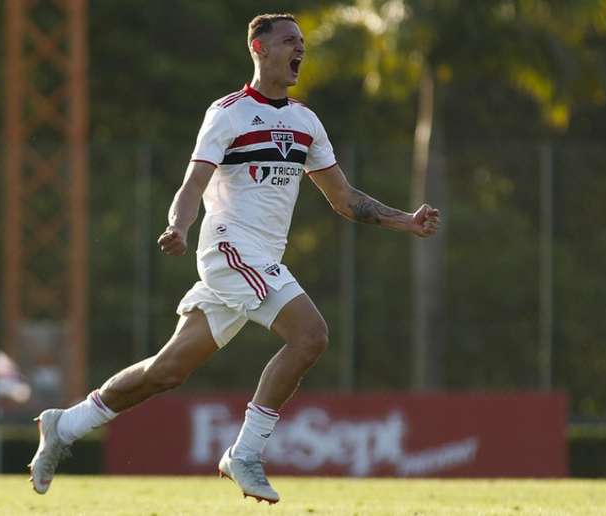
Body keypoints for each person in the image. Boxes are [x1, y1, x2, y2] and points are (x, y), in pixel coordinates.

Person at [28, 12, 440, 504]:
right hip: (229, 249)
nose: (299, 50)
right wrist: (177, 226)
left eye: (302, 42)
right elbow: (192, 184)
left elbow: (346, 199)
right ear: (259, 48)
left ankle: (64, 425)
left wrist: (407, 221)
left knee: (167, 371)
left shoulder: (306, 122)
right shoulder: (228, 113)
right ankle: (245, 453)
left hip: (259, 259)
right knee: (310, 335)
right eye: (289, 41)